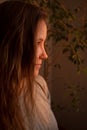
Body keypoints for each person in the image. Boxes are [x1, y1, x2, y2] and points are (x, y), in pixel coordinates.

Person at [0, 1, 59, 130]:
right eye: (38, 42)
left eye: (44, 43)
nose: (45, 55)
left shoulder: (39, 85)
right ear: (14, 45)